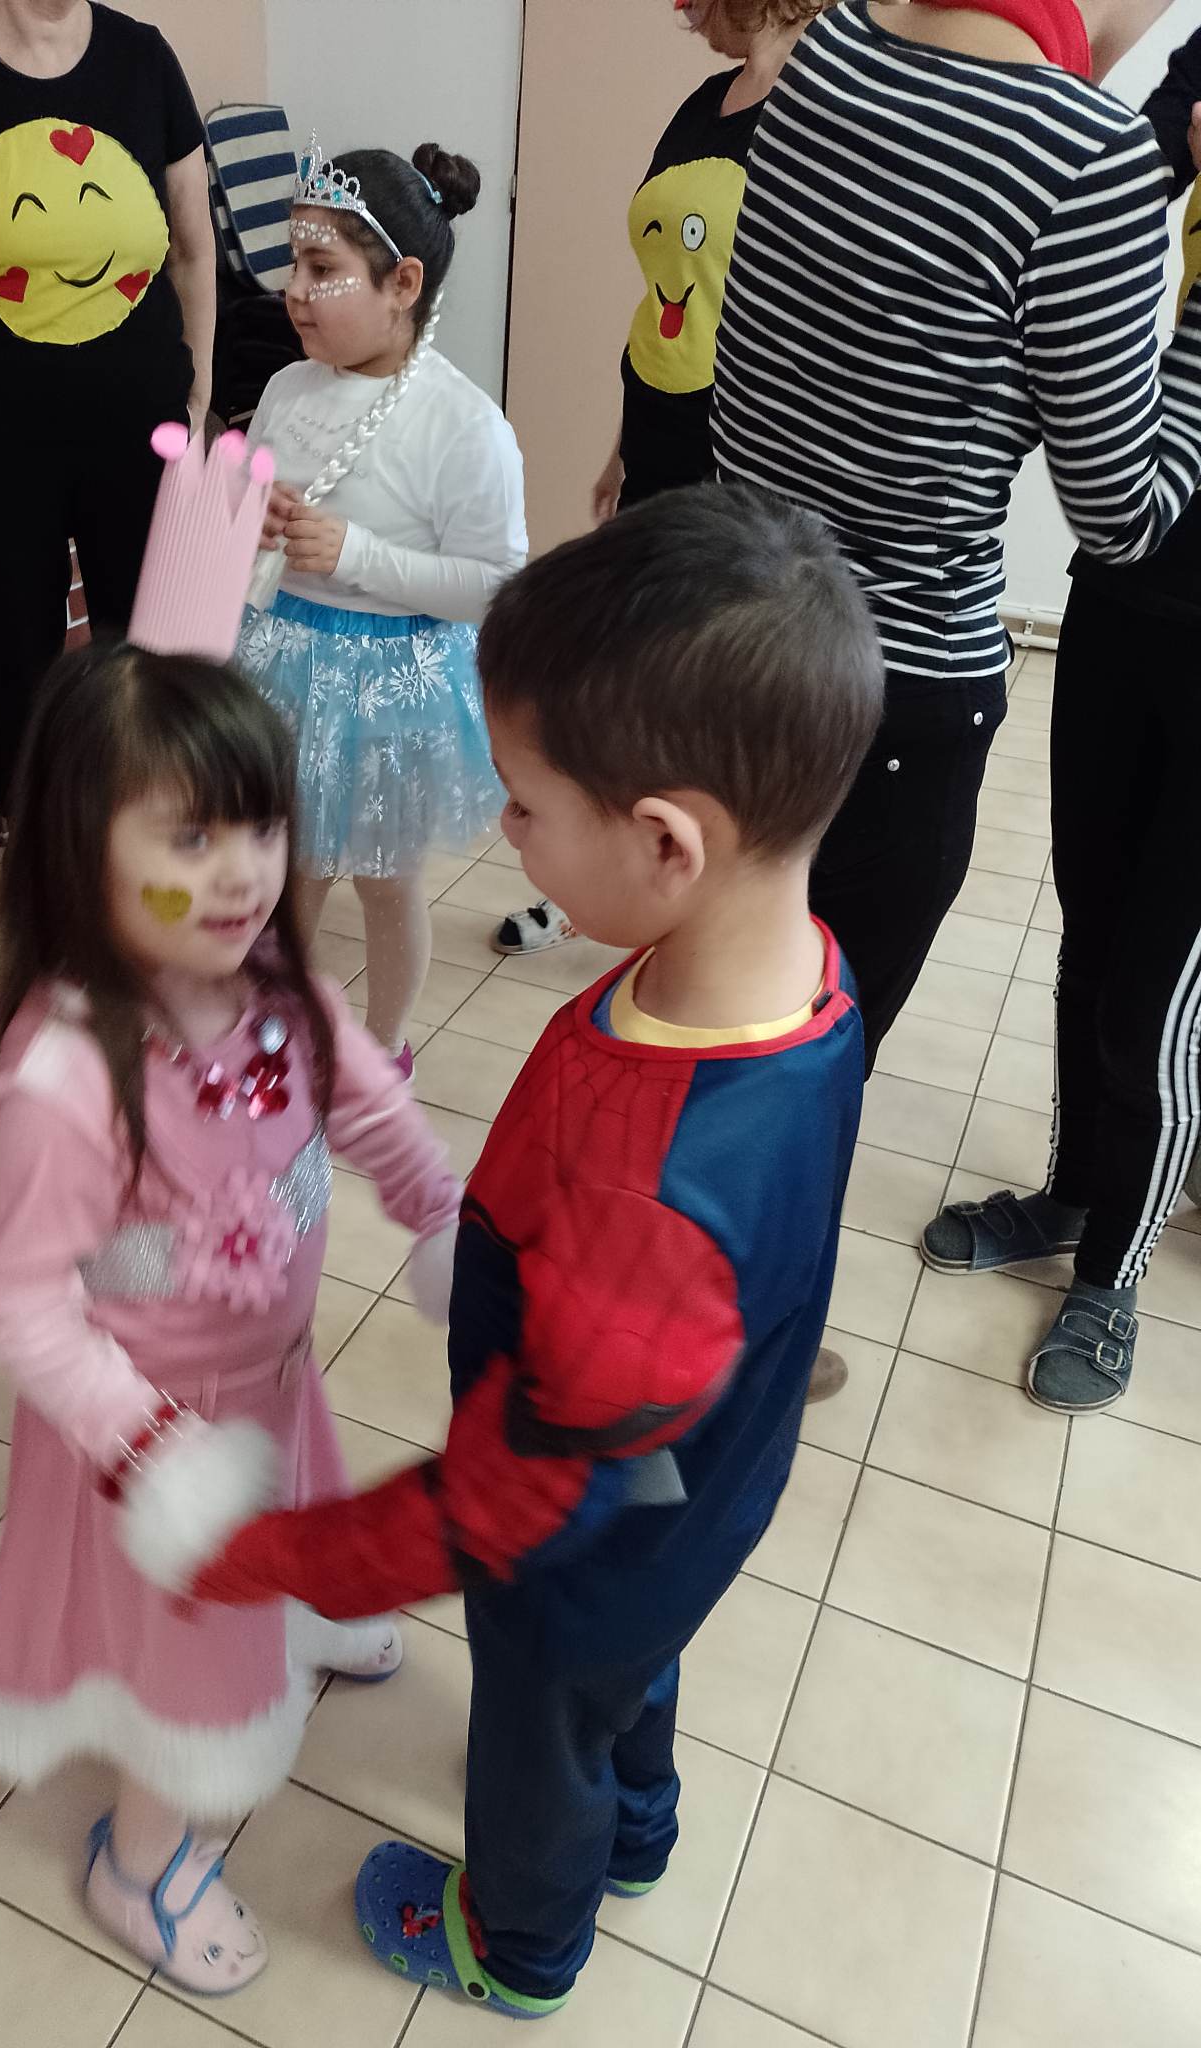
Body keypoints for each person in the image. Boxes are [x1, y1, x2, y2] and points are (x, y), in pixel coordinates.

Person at [167, 485, 885, 2019]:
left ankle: (520, 1943)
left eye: (524, 803)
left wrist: (287, 1557)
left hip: (588, 1519)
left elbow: (508, 1503)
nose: (505, 829)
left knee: (541, 1721)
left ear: (667, 841)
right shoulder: (804, 980)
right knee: (632, 1668)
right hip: (694, 1479)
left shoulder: (650, 1185)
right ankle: (640, 1830)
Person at [0, 632, 462, 1987]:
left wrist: (439, 1212)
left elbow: (371, 1102)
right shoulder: (64, 1081)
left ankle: (304, 1612)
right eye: (190, 838)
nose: (241, 871)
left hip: (275, 1385)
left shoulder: (279, 992)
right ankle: (142, 1862)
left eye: (258, 826)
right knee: (187, 1663)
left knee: (291, 1531)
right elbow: (16, 1304)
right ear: (81, 852)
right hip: (152, 1443)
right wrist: (150, 1449)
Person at [712, 0, 1201, 1067]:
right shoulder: (1089, 158)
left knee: (709, 1028)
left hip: (725, 637)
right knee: (796, 1080)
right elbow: (1124, 518)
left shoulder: (834, 44)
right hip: (888, 694)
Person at [921, 28, 1201, 1413]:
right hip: (1128, 593)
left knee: (1159, 992)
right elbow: (1124, 165)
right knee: (1088, 935)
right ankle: (1076, 1192)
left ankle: (1113, 1272)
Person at [494, 0, 831, 962]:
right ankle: (605, 876)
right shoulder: (704, 104)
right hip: (659, 426)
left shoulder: (831, 102)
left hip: (751, 446)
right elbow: (666, 290)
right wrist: (620, 445)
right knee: (635, 665)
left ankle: (710, 902)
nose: (679, 9)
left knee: (714, 682)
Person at [0, 0, 217, 815]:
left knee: (149, 654)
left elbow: (194, 249)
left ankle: (149, 845)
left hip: (142, 422)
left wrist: (200, 392)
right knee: (21, 658)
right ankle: (39, 860)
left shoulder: (146, 59)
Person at [237, 139, 527, 1070]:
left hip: (389, 684)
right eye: (293, 262)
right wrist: (254, 521)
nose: (294, 290)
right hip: (284, 663)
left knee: (384, 882)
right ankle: (280, 1035)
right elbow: (255, 520)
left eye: (321, 268)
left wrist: (356, 554)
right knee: (290, 873)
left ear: (402, 283)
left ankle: (383, 1045)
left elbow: (494, 584)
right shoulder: (284, 389)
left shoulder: (463, 424)